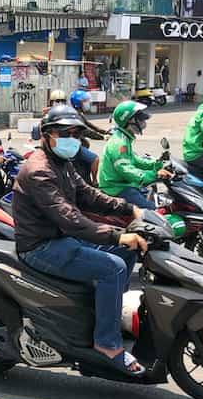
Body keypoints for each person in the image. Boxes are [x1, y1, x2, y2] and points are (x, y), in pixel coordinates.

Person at [12, 105, 147, 376]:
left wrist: (126, 208)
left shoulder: (63, 163)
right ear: (48, 135)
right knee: (114, 266)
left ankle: (107, 316)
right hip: (42, 246)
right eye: (66, 133)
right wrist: (118, 235)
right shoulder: (40, 170)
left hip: (63, 238)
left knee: (127, 254)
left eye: (76, 133)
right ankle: (107, 343)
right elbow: (70, 218)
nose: (72, 139)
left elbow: (88, 195)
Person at [99, 102, 172, 209]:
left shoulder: (124, 138)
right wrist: (154, 175)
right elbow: (127, 170)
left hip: (124, 184)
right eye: (140, 119)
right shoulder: (119, 144)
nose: (143, 123)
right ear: (129, 121)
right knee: (153, 210)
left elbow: (135, 160)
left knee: (156, 197)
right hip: (116, 188)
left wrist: (157, 163)